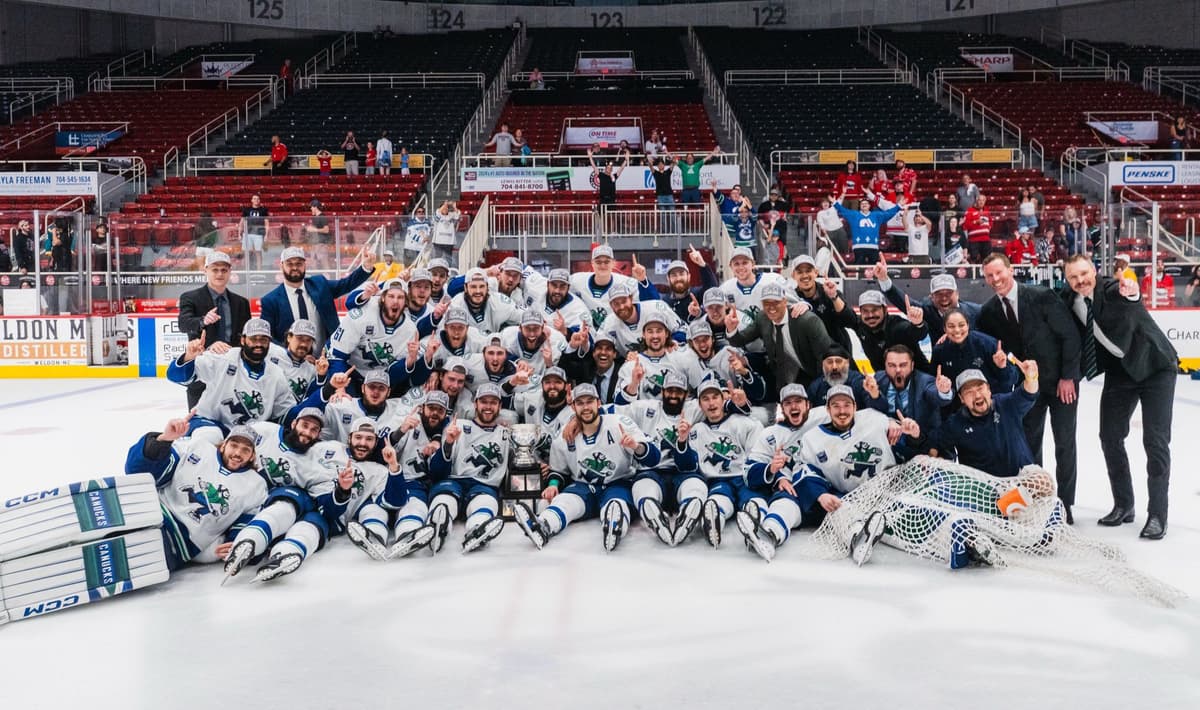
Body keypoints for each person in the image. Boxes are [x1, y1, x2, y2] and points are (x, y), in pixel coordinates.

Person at [1061, 255, 1177, 539]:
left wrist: (1132, 289)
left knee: (1155, 441)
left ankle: (1157, 515)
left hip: (1155, 367)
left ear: (1094, 271)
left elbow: (1130, 294)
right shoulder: (1070, 300)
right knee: (1110, 436)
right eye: (1073, 277)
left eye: (1084, 273)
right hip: (1120, 371)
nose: (1080, 280)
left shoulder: (1113, 289)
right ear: (1067, 280)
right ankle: (1124, 505)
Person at [977, 253, 1081, 523]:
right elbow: (979, 338)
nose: (995, 279)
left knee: (1065, 443)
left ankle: (1065, 504)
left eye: (999, 272)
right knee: (1029, 445)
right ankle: (1038, 500)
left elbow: (1069, 336)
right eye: (989, 275)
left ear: (1010, 270)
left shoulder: (1042, 296)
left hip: (1060, 383)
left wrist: (1068, 377)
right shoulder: (988, 311)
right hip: (1027, 388)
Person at [512, 384, 661, 552]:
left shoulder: (618, 423)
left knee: (616, 504)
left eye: (590, 401)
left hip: (618, 483)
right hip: (584, 487)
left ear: (599, 403)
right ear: (573, 406)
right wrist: (553, 485)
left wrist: (636, 446)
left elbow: (654, 458)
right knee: (565, 500)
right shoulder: (565, 434)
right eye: (580, 403)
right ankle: (543, 526)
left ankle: (614, 527)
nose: (586, 407)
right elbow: (559, 470)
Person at [166, 318, 295, 445]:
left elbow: (285, 413)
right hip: (208, 421)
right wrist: (188, 357)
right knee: (210, 437)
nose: (258, 344)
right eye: (253, 339)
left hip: (247, 433)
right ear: (243, 340)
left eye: (263, 340)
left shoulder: (276, 374)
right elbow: (174, 375)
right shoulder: (223, 357)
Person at [670, 381, 764, 548]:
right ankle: (714, 521)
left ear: (723, 400)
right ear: (700, 405)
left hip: (743, 479)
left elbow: (757, 451)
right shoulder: (696, 430)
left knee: (753, 500)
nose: (711, 403)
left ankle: (756, 523)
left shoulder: (742, 422)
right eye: (706, 399)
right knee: (717, 500)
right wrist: (682, 440)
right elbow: (687, 466)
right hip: (717, 481)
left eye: (715, 397)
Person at [425, 383, 511, 553]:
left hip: (484, 485)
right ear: (475, 404)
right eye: (483, 402)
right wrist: (448, 443)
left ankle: (477, 529)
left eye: (493, 402)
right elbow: (436, 472)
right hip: (454, 481)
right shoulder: (458, 426)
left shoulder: (506, 433)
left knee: (485, 502)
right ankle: (438, 526)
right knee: (444, 499)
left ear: (500, 406)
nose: (488, 407)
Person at [933, 364, 1040, 480]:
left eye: (980, 388)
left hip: (1022, 479)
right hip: (983, 487)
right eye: (969, 392)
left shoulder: (1006, 404)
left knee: (1043, 481)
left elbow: (1028, 394)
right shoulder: (955, 423)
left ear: (989, 389)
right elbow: (934, 444)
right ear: (961, 399)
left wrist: (1031, 378)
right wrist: (937, 458)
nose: (977, 395)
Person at [259, 246, 374, 350]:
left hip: (327, 358)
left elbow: (346, 284)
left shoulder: (320, 284)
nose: (295, 267)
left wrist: (366, 267)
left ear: (305, 265)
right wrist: (292, 356)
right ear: (281, 266)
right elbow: (267, 336)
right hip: (290, 363)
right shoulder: (270, 301)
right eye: (289, 264)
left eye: (299, 263)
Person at [177, 251, 251, 408]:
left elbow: (245, 336)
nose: (219, 274)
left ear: (230, 272)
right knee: (199, 420)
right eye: (215, 269)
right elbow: (183, 323)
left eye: (224, 270)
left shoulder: (241, 302)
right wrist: (203, 321)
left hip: (233, 372)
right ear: (205, 270)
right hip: (203, 371)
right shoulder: (190, 297)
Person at [725, 281, 833, 389]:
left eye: (776, 302)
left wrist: (820, 386)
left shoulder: (806, 320)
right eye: (767, 303)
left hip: (814, 375)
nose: (771, 307)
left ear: (785, 302)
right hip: (782, 380)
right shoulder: (762, 318)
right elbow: (740, 340)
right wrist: (732, 329)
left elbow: (827, 354)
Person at [931, 308, 1018, 397]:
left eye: (961, 325)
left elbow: (1013, 379)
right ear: (944, 329)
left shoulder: (986, 343)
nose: (957, 330)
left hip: (993, 399)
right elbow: (933, 385)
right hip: (961, 403)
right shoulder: (939, 351)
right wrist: (944, 390)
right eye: (951, 326)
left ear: (968, 325)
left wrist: (1003, 368)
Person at [834, 192, 902, 266]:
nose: (864, 205)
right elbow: (843, 210)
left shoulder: (876, 215)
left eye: (866, 203)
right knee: (859, 268)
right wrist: (835, 203)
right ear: (860, 206)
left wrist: (898, 206)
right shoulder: (854, 215)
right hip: (858, 247)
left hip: (873, 247)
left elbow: (889, 213)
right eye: (862, 204)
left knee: (874, 268)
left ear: (869, 206)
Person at [660, 246, 718, 323]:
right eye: (674, 275)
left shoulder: (697, 294)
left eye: (681, 274)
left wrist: (702, 264)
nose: (678, 278)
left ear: (689, 276)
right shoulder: (664, 302)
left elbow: (713, 290)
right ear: (668, 279)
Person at [240, 194, 269, 271]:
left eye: (258, 199)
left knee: (258, 252)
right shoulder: (246, 210)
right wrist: (239, 233)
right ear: (251, 200)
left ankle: (259, 271)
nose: (256, 200)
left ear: (259, 200)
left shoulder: (263, 210)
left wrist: (266, 235)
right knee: (247, 253)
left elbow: (266, 223)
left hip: (258, 234)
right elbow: (242, 222)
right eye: (254, 198)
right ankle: (247, 270)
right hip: (247, 234)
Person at [963, 193, 992, 263]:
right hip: (974, 240)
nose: (981, 202)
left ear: (985, 202)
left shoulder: (987, 211)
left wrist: (988, 228)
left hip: (986, 239)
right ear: (976, 201)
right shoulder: (970, 210)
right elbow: (965, 225)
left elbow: (991, 222)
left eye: (983, 200)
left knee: (987, 260)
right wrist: (975, 222)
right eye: (980, 200)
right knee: (974, 259)